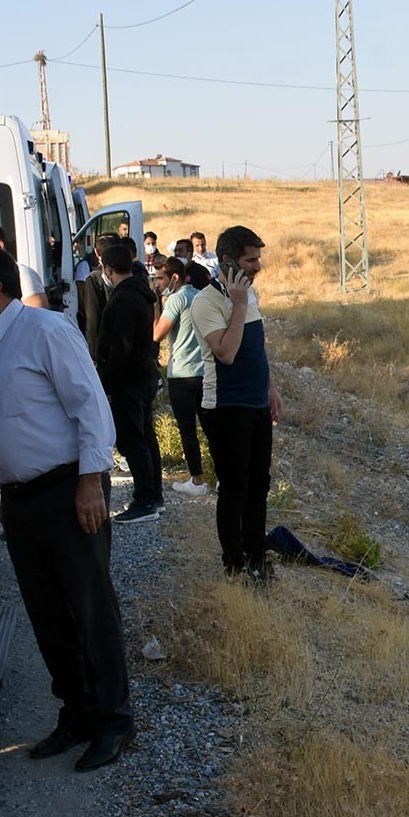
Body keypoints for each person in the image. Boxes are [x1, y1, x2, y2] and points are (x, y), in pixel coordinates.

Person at [0, 244, 133, 771]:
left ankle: (114, 722)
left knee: (90, 609)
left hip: (68, 491)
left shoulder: (45, 332)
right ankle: (75, 713)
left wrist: (92, 482)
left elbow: (92, 409)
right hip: (22, 502)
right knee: (48, 616)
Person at [190, 224, 283, 581]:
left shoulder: (250, 295)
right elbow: (226, 354)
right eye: (250, 260)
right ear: (227, 261)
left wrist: (270, 388)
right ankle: (234, 564)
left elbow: (255, 348)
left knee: (260, 484)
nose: (257, 267)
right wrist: (239, 304)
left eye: (258, 259)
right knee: (234, 487)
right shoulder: (206, 302)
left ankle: (257, 556)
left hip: (256, 404)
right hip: (226, 408)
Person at [95, 239, 164, 524]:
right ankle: (154, 496)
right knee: (145, 437)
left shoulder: (123, 298)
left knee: (133, 440)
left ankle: (145, 500)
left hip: (129, 379)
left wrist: (107, 384)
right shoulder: (140, 292)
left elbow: (121, 347)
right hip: (142, 374)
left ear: (107, 268)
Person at [152, 254, 211, 498]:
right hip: (205, 371)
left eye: (160, 278)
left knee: (187, 429)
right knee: (210, 427)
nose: (158, 284)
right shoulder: (200, 296)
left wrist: (155, 306)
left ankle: (197, 480)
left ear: (174, 277)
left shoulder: (176, 300)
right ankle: (221, 477)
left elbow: (157, 334)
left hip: (182, 373)